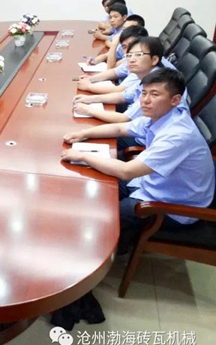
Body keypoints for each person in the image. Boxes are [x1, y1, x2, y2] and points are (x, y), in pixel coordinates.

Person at [62, 68, 214, 254]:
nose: (145, 100)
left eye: (154, 94)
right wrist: (84, 134)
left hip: (174, 207)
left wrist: (83, 156)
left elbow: (127, 171)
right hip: (151, 184)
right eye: (143, 93)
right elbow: (120, 129)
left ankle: (103, 254)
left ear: (175, 100)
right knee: (100, 184)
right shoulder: (161, 116)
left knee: (105, 216)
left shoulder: (177, 135)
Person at [73, 37, 184, 124]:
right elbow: (122, 96)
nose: (131, 60)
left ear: (154, 59)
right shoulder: (147, 74)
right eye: (129, 55)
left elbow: (123, 119)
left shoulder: (157, 82)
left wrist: (88, 110)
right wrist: (90, 99)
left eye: (138, 55)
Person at [78, 25, 149, 95]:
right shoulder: (130, 59)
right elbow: (114, 72)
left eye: (132, 45)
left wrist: (89, 87)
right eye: (124, 47)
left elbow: (120, 90)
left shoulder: (142, 66)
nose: (129, 50)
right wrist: (91, 78)